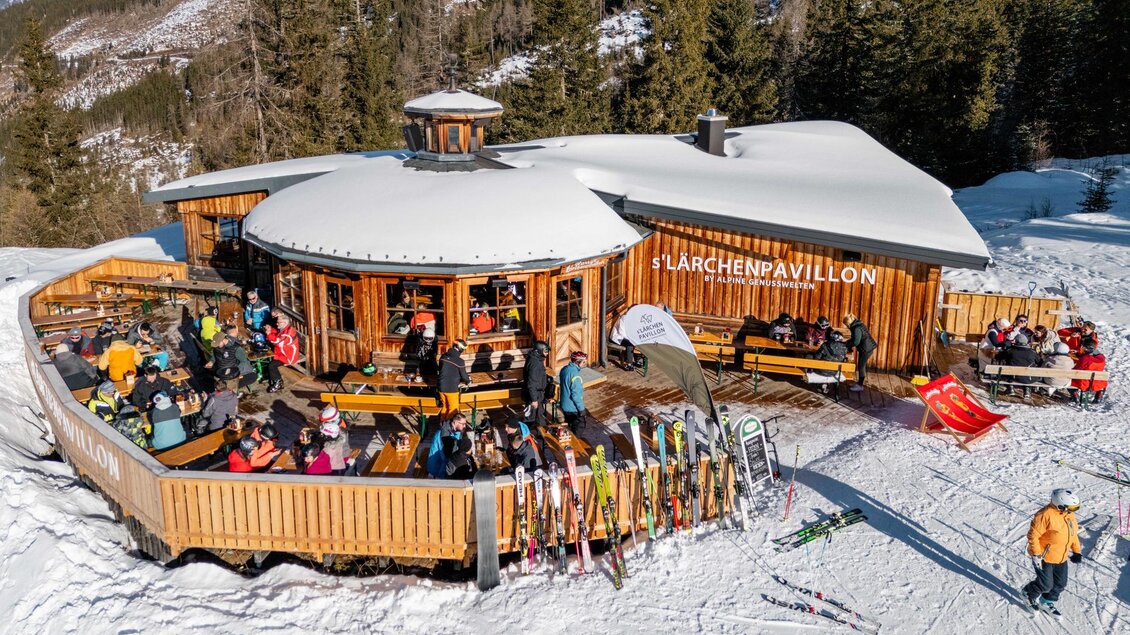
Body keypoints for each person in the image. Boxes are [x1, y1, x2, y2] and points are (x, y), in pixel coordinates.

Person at [1024, 489, 1082, 615]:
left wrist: (1077, 551)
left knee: (1060, 584)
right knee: (1046, 585)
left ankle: (1046, 601)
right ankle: (1029, 593)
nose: (1073, 511)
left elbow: (1073, 534)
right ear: (1060, 505)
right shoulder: (1044, 515)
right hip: (1044, 557)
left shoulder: (1069, 516)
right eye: (1071, 508)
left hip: (1061, 556)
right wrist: (1036, 554)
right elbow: (1033, 536)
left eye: (1075, 508)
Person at [263, 313, 299, 393]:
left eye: (278, 322)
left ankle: (278, 383)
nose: (276, 323)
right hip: (282, 352)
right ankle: (270, 376)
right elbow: (277, 334)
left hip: (288, 356)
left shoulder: (288, 333)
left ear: (285, 323)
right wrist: (271, 329)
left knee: (272, 365)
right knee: (268, 357)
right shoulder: (285, 328)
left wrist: (269, 333)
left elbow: (277, 342)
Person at [426, 412, 468, 478]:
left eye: (465, 424)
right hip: (437, 468)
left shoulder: (454, 430)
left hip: (444, 463)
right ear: (455, 423)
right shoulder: (443, 435)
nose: (465, 426)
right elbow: (446, 457)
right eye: (463, 424)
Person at [843, 313, 878, 392]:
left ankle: (860, 385)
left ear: (848, 323)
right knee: (861, 366)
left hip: (866, 349)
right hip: (867, 347)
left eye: (846, 324)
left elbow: (856, 342)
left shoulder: (856, 328)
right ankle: (859, 383)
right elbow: (854, 339)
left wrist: (848, 345)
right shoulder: (857, 324)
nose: (846, 326)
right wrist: (847, 342)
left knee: (861, 366)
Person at [438, 339, 471, 420]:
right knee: (453, 410)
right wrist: (468, 381)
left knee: (445, 407)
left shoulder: (443, 357)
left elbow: (442, 370)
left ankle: (442, 426)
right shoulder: (460, 361)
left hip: (441, 387)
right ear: (460, 349)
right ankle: (448, 429)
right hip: (451, 388)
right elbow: (464, 376)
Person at [522, 340, 550, 426]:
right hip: (534, 394)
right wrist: (534, 399)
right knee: (531, 418)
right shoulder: (535, 363)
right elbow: (531, 383)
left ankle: (541, 435)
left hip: (537, 393)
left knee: (539, 416)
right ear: (539, 350)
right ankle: (526, 435)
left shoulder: (536, 359)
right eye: (545, 351)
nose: (547, 353)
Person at [318, 405, 351, 475]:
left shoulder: (338, 430)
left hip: (341, 457)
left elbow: (331, 446)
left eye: (326, 421)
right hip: (339, 453)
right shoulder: (339, 423)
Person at [559, 351, 588, 432]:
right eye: (584, 362)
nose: (585, 364)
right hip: (573, 408)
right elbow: (576, 396)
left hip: (564, 405)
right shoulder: (576, 377)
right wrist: (582, 410)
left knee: (568, 426)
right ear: (578, 362)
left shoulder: (564, 369)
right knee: (578, 428)